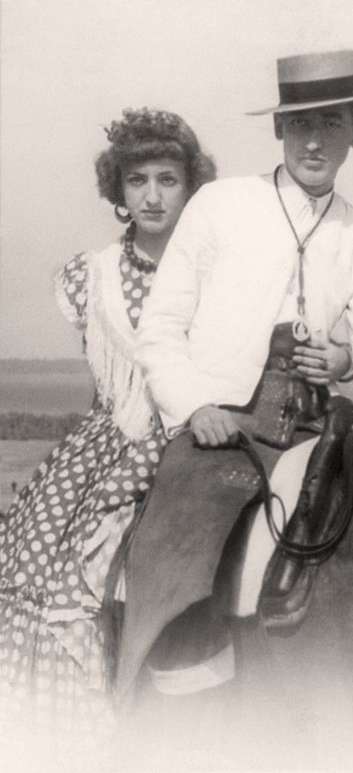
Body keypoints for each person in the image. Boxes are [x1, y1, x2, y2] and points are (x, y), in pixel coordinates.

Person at [113, 50, 353, 705]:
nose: (313, 140)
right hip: (219, 425)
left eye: (331, 123)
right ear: (279, 129)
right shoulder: (221, 204)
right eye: (299, 122)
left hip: (311, 426)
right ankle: (164, 701)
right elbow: (158, 332)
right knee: (182, 546)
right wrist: (196, 408)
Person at [0, 108, 216, 739]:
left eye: (167, 179)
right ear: (117, 190)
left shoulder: (211, 270)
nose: (152, 195)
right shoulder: (88, 276)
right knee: (39, 550)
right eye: (137, 179)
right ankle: (62, 727)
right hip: (106, 437)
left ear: (190, 185)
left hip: (187, 429)